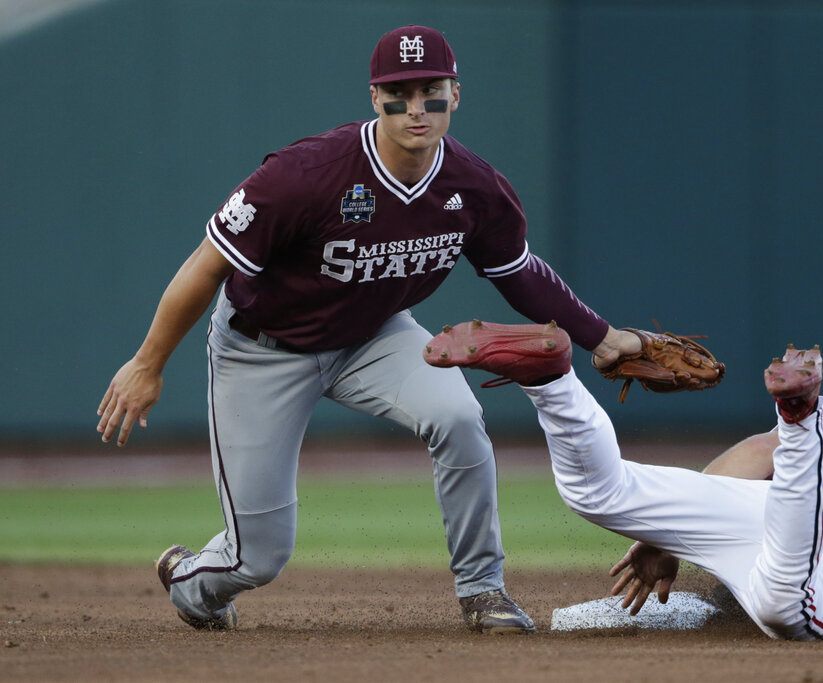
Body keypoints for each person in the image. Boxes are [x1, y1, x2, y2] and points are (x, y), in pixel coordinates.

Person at [95, 25, 640, 634]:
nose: (416, 108)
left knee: (459, 419)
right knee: (259, 556)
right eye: (397, 94)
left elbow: (518, 274)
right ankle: (194, 583)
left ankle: (484, 590)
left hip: (375, 336)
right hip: (262, 350)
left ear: (455, 95)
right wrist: (148, 363)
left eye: (431, 91)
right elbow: (207, 264)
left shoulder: (475, 187)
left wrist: (604, 337)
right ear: (374, 99)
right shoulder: (306, 175)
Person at [424, 323, 823, 639]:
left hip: (808, 513)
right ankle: (801, 423)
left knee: (598, 491)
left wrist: (671, 531)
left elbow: (757, 452)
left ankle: (551, 381)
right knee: (787, 606)